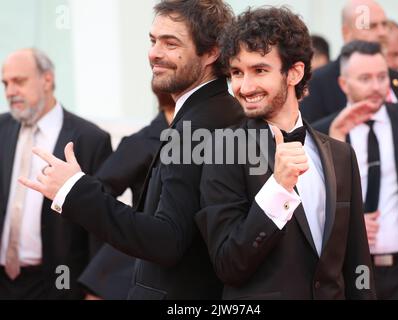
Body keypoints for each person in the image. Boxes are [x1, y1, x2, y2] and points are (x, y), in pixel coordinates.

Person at [20, 0, 243, 300]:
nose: (154, 53)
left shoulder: (196, 127)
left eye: (170, 42)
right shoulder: (215, 113)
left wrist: (75, 190)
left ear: (212, 52)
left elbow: (167, 240)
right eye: (153, 41)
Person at [195, 7, 375, 300]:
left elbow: (358, 263)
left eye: (260, 70)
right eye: (237, 73)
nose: (244, 86)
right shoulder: (221, 151)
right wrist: (277, 189)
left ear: (294, 72)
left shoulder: (341, 156)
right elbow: (228, 264)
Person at [313, 40, 398, 299]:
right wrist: (352, 222)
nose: (376, 87)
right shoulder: (323, 131)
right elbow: (315, 205)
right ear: (344, 84)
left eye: (381, 77)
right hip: (350, 271)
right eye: (365, 78)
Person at [0, 48, 112, 299]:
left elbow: (101, 222)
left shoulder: (91, 140)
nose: (10, 91)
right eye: (5, 83)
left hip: (59, 285)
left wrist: (97, 290)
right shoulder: (1, 128)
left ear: (47, 80)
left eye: (19, 81)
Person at [79, 92, 174, 300]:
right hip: (139, 247)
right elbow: (100, 189)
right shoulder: (141, 142)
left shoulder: (212, 137)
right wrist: (124, 224)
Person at [300, 0, 398, 123]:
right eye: (372, 26)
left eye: (384, 24)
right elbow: (311, 136)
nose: (382, 33)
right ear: (346, 33)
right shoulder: (318, 82)